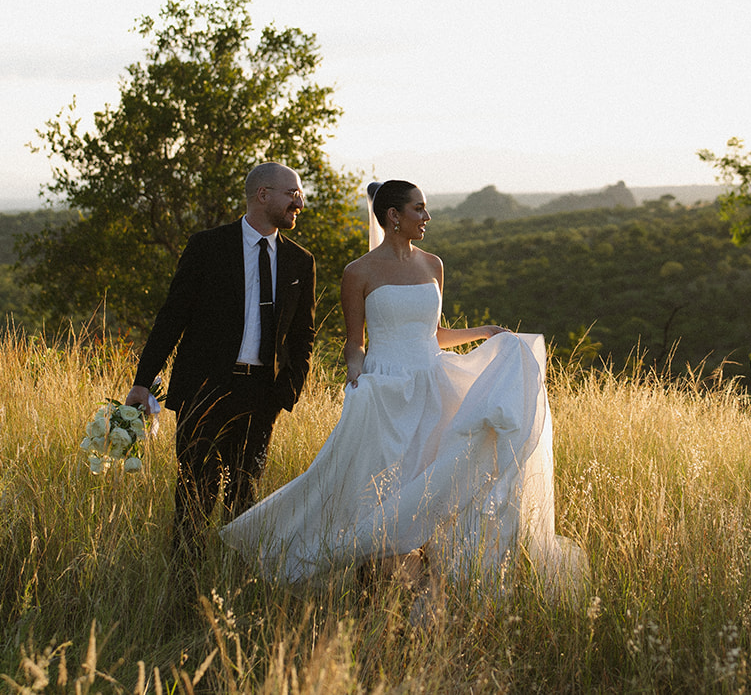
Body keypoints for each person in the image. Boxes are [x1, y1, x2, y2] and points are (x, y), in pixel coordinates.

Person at [220, 179, 582, 590]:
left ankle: (422, 588)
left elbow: (435, 333)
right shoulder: (357, 272)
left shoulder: (433, 264)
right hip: (386, 390)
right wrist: (355, 373)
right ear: (394, 216)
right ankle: (357, 577)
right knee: (374, 489)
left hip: (434, 385)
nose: (427, 217)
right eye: (419, 209)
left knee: (432, 484)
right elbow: (355, 342)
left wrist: (485, 331)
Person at [124, 162, 317, 558]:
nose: (300, 202)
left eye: (299, 194)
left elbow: (303, 335)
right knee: (194, 496)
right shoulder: (207, 246)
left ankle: (232, 586)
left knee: (245, 501)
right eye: (291, 193)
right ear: (262, 195)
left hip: (262, 396)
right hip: (204, 390)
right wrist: (143, 381)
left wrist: (288, 389)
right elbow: (172, 317)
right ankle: (184, 595)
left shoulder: (301, 261)